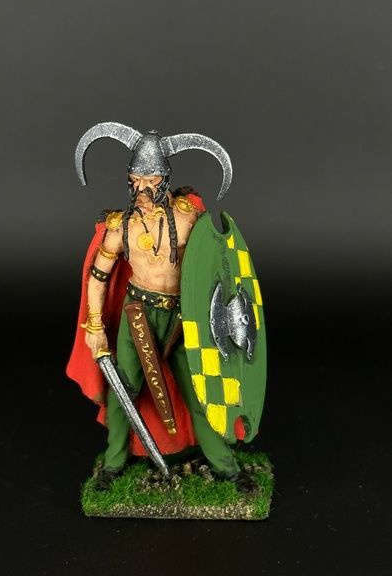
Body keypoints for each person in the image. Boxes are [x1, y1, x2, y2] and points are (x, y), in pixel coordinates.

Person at [67, 123, 259, 492]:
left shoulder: (189, 218)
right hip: (137, 315)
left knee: (201, 392)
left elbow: (216, 265)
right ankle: (112, 464)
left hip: (182, 319)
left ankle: (227, 468)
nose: (141, 188)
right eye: (135, 179)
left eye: (150, 179)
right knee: (123, 391)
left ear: (165, 179)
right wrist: (95, 326)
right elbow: (98, 276)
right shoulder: (120, 226)